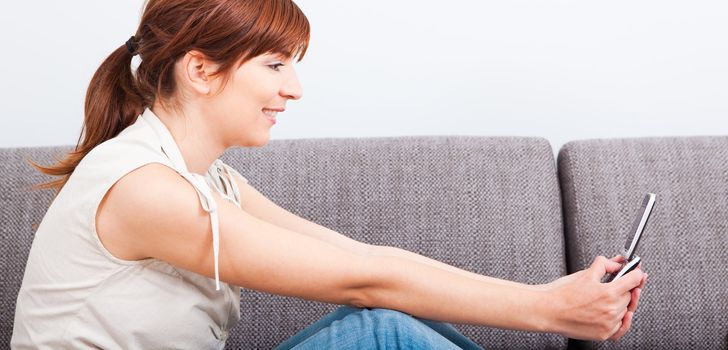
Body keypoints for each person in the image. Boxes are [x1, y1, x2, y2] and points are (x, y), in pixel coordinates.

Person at [11, 0, 647, 349]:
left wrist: (550, 293)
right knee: (376, 327)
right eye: (275, 64)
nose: (294, 89)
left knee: (389, 320)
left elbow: (361, 259)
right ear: (201, 70)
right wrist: (550, 312)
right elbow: (367, 280)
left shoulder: (210, 183)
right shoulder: (143, 189)